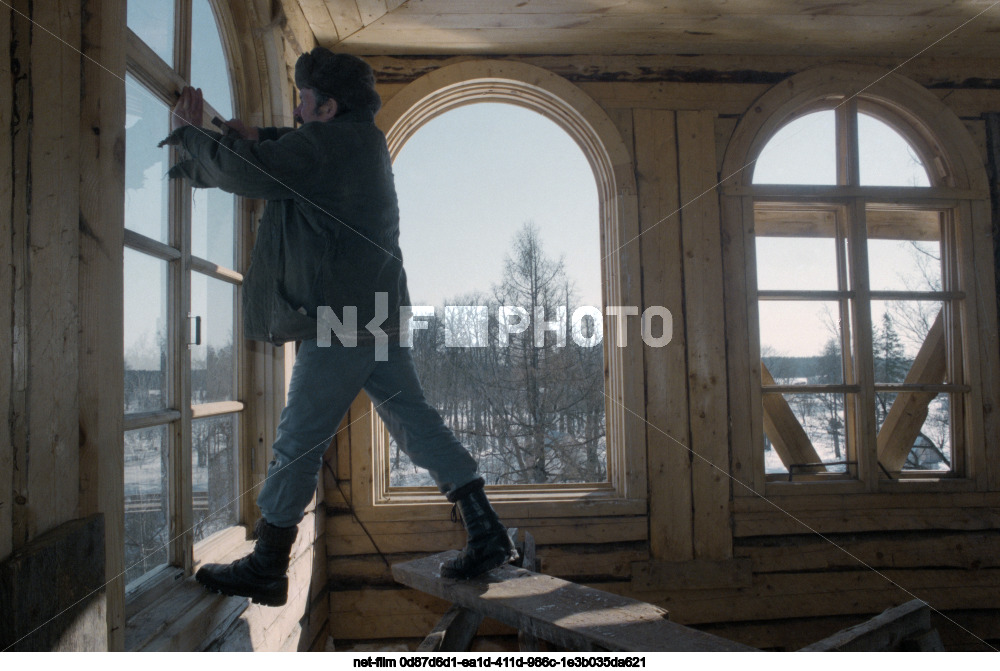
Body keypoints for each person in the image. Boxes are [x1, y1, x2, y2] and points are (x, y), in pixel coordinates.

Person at [161, 48, 517, 607]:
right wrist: (258, 131)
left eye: (304, 103)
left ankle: (268, 565)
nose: (298, 114)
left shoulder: (325, 147)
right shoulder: (363, 139)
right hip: (378, 314)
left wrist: (191, 135)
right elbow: (301, 145)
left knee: (297, 443)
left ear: (327, 107)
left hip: (341, 322)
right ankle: (488, 531)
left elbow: (249, 170)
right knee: (417, 424)